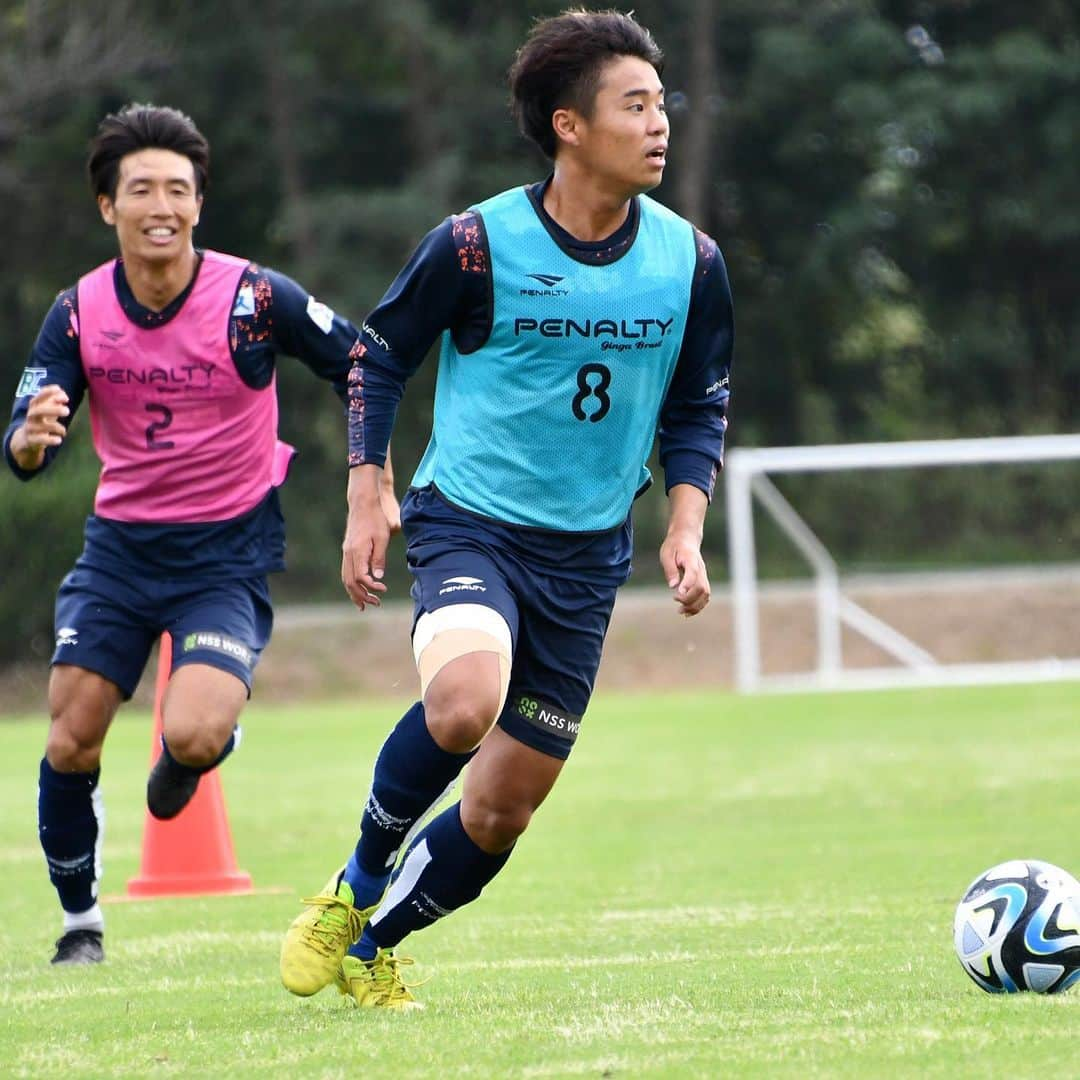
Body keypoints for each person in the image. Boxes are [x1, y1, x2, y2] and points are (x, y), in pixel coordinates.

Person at [279, 8, 733, 1009]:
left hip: (589, 557)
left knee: (501, 812)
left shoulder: (690, 262)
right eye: (636, 105)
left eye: (663, 104)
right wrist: (369, 491)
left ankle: (375, 941)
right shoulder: (477, 244)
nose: (660, 124)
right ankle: (353, 885)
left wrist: (687, 527)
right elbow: (379, 355)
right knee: (465, 702)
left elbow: (699, 400)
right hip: (469, 521)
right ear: (568, 124)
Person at [4, 104, 399, 967]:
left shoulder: (255, 298)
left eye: (178, 190)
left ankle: (206, 742)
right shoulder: (77, 312)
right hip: (119, 552)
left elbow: (364, 364)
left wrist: (368, 480)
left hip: (224, 554)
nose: (161, 206)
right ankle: (80, 924)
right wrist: (28, 440)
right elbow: (24, 437)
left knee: (189, 736)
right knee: (70, 735)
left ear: (199, 203)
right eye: (140, 188)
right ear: (107, 206)